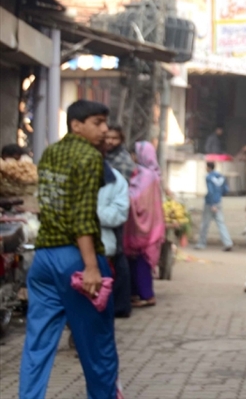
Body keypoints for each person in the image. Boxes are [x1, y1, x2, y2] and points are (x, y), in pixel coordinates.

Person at [18, 99, 120, 399]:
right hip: (76, 259)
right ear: (76, 125)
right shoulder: (89, 157)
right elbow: (82, 215)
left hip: (45, 258)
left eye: (105, 123)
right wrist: (90, 266)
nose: (104, 130)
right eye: (97, 123)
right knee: (97, 345)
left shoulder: (50, 153)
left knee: (37, 343)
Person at [123, 141, 165, 309]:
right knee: (139, 260)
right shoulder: (155, 174)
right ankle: (137, 294)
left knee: (139, 260)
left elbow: (136, 198)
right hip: (152, 224)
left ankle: (146, 295)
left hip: (140, 225)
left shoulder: (145, 175)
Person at [101, 125, 134, 316]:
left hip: (113, 215)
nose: (110, 141)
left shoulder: (121, 162)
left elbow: (120, 196)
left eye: (114, 138)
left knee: (117, 256)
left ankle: (120, 304)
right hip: (108, 214)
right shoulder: (108, 158)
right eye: (108, 138)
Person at [196, 162, 233, 251]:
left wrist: (212, 204)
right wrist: (219, 196)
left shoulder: (208, 177)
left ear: (208, 167)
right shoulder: (221, 176)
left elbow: (210, 191)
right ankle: (228, 242)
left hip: (210, 203)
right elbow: (225, 190)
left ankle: (201, 243)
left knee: (205, 224)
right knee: (221, 223)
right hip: (219, 202)